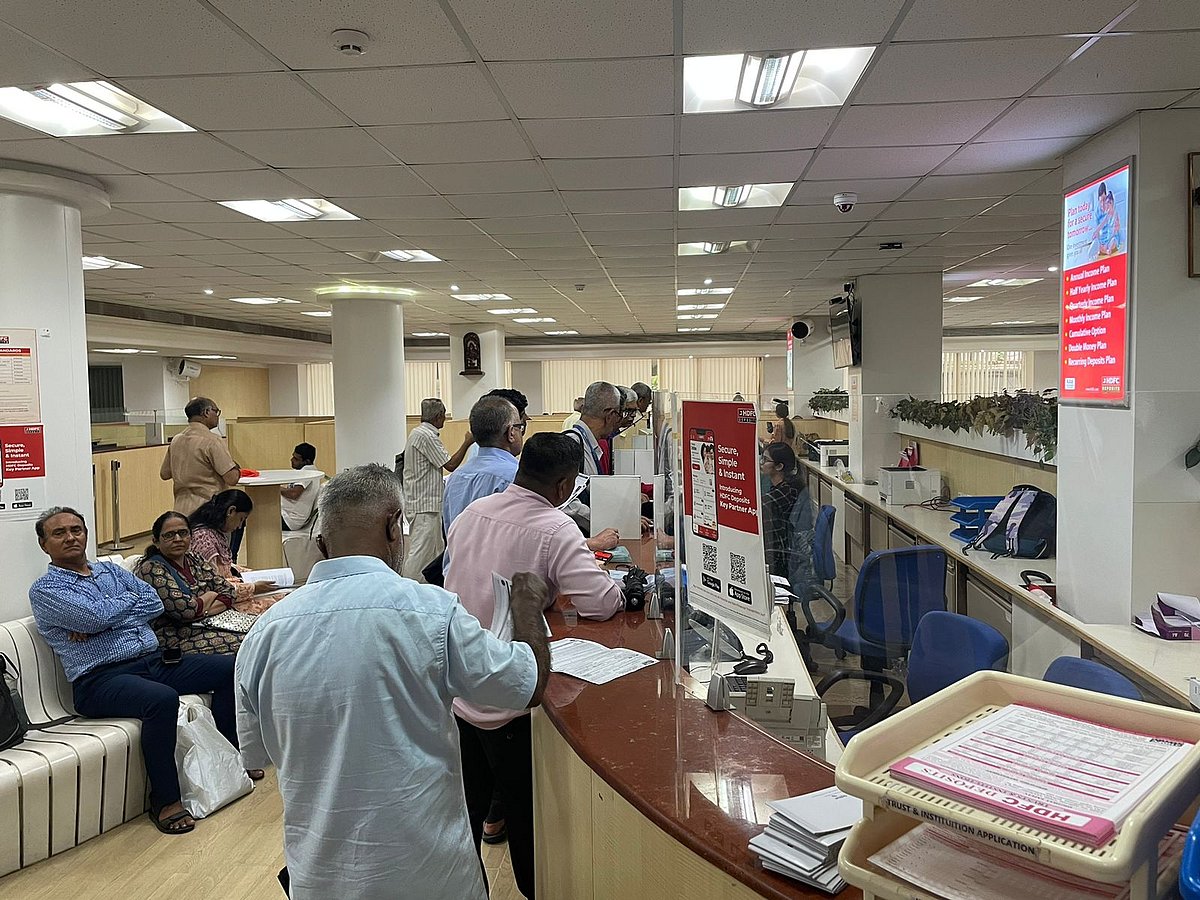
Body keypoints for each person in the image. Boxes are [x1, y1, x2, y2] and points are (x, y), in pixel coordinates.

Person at [235, 464, 551, 900]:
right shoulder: (431, 612)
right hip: (429, 875)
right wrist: (527, 609)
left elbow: (257, 754)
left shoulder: (264, 635)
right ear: (393, 526)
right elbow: (526, 684)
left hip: (321, 879)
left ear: (322, 543)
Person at [445, 433, 624, 899]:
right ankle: (531, 890)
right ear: (564, 485)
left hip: (458, 691)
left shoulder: (470, 515)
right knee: (530, 823)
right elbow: (601, 602)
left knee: (465, 813)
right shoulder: (555, 527)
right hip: (512, 695)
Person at [28, 507, 251, 836]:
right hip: (99, 680)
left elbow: (153, 603)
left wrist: (104, 619)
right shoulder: (46, 590)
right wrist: (112, 613)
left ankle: (230, 762)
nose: (71, 537)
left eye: (76, 529)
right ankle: (165, 801)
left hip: (153, 661)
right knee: (161, 699)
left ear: (86, 534)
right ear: (44, 544)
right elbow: (94, 618)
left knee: (230, 667)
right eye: (59, 533)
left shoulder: (109, 570)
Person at [134, 510, 243, 655]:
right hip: (175, 638)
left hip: (209, 624)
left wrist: (202, 609)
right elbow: (186, 610)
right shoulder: (152, 569)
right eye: (169, 535)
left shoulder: (194, 558)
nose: (178, 539)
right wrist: (211, 594)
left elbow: (228, 591)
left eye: (183, 533)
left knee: (259, 632)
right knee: (246, 643)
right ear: (156, 541)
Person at [402, 398, 473, 582]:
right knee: (420, 553)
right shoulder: (426, 436)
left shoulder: (418, 433)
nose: (445, 419)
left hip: (425, 504)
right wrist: (467, 442)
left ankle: (428, 588)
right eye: (444, 415)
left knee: (435, 552)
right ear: (438, 416)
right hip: (424, 505)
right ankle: (406, 585)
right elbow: (450, 464)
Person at [189, 490, 279, 608]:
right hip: (217, 600)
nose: (240, 526)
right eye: (241, 519)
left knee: (281, 596)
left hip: (227, 589)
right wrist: (253, 588)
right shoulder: (203, 539)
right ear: (231, 511)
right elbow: (212, 585)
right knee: (274, 605)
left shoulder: (215, 532)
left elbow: (225, 565)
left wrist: (251, 573)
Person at [562, 381, 623, 550]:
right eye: (618, 415)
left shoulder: (590, 444)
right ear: (610, 415)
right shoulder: (573, 443)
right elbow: (568, 504)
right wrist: (606, 524)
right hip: (577, 539)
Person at [158, 397, 239, 516]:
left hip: (181, 510)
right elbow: (232, 479)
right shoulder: (212, 441)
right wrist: (235, 466)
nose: (217, 416)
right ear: (206, 412)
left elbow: (164, 474)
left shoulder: (176, 440)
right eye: (216, 411)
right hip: (208, 511)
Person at [281, 442, 320, 533]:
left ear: (307, 462)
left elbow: (293, 494)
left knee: (257, 513)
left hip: (290, 520)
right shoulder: (308, 471)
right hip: (289, 516)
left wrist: (274, 488)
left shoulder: (307, 472)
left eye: (296, 459)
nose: (291, 460)